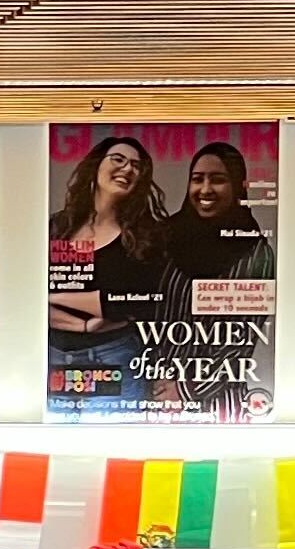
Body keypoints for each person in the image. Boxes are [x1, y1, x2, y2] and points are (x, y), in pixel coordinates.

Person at [47, 137, 170, 404]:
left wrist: (51, 298)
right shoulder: (56, 226)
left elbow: (129, 302)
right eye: (118, 159)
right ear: (95, 165)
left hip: (115, 355)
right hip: (53, 356)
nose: (128, 169)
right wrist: (85, 323)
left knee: (110, 445)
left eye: (136, 166)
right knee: (54, 444)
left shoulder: (146, 236)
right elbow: (26, 297)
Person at [166, 139, 277, 301]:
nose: (205, 189)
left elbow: (250, 320)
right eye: (197, 179)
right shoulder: (162, 237)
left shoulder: (257, 253)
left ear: (237, 187)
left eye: (218, 180)